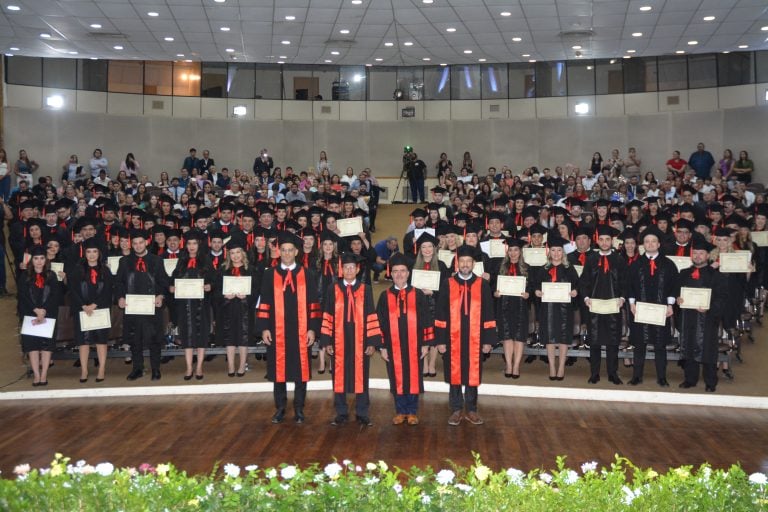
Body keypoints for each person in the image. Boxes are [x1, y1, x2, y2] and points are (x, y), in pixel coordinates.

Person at [257, 231, 321, 424]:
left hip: (301, 330)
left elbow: (313, 303)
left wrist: (312, 329)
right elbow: (264, 302)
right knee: (278, 370)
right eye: (283, 250)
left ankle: (299, 408)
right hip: (277, 331)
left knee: (301, 370)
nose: (286, 253)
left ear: (296, 252)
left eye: (289, 250)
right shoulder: (270, 275)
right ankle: (280, 408)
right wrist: (264, 328)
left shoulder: (307, 274)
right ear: (279, 252)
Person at [434, 245, 497, 426]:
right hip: (451, 337)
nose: (465, 264)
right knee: (454, 373)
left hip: (475, 338)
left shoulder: (482, 285)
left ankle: (471, 409)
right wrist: (440, 340)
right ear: (457, 263)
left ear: (474, 264)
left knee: (473, 372)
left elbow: (489, 313)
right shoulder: (448, 284)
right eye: (462, 261)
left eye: (469, 261)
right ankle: (455, 409)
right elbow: (440, 313)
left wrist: (488, 340)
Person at [320, 252, 382, 427]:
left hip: (360, 339)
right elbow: (327, 315)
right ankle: (341, 412)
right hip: (338, 339)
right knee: (338, 375)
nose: (348, 270)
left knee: (361, 374)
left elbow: (371, 315)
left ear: (357, 269)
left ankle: (362, 412)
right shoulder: (333, 288)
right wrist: (327, 340)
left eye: (352, 267)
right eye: (346, 267)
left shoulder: (365, 289)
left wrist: (371, 342)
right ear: (341, 269)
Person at [376, 253, 434, 426]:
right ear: (391, 274)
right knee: (397, 376)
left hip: (415, 344)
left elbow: (426, 319)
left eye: (402, 271)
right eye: (395, 271)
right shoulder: (384, 296)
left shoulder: (418, 295)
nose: (399, 274)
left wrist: (426, 343)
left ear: (408, 273)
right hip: (392, 345)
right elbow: (379, 322)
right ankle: (401, 411)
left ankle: (412, 411)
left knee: (414, 376)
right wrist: (382, 346)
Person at [115, 229, 169, 381]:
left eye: (141, 243)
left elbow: (163, 282)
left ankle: (156, 369)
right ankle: (137, 368)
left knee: (154, 339)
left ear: (146, 242)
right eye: (135, 243)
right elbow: (118, 283)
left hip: (151, 306)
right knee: (135, 339)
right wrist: (120, 297)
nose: (138, 246)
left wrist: (161, 295)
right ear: (131, 245)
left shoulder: (156, 260)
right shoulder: (124, 261)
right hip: (133, 307)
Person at [627, 226, 679, 387]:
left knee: (660, 345)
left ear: (658, 244)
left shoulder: (668, 264)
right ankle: (637, 376)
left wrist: (670, 305)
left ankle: (662, 377)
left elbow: (673, 286)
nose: (650, 244)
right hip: (640, 310)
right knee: (639, 345)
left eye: (653, 241)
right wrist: (631, 303)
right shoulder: (636, 264)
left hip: (660, 310)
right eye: (647, 242)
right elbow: (630, 286)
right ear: (643, 245)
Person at [580, 225, 627, 385]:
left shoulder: (619, 259)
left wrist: (622, 297)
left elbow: (623, 281)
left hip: (613, 306)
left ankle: (613, 373)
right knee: (595, 341)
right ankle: (594, 373)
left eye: (608, 239)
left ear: (612, 241)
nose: (605, 242)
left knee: (613, 341)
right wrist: (586, 298)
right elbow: (584, 281)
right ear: (597, 241)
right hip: (595, 306)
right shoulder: (591, 259)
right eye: (602, 239)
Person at [677, 237, 725, 392]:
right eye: (695, 253)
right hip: (688, 317)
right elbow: (677, 293)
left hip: (708, 319)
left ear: (707, 255)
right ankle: (690, 379)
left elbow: (722, 298)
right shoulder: (684, 273)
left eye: (701, 253)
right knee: (688, 347)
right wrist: (678, 299)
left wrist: (709, 307)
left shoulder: (716, 275)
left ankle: (711, 382)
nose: (697, 256)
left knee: (708, 351)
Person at [533, 236, 580, 381]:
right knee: (549, 339)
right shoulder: (543, 269)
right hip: (547, 310)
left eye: (559, 250)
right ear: (549, 252)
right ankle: (552, 367)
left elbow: (577, 286)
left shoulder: (569, 269)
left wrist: (575, 292)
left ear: (563, 252)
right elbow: (535, 287)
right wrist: (537, 292)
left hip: (564, 310)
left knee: (563, 339)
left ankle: (561, 368)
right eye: (553, 250)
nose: (556, 253)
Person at [170, 230, 213, 380]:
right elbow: (173, 279)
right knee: (187, 335)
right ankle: (189, 367)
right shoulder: (181, 260)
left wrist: (210, 286)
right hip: (185, 305)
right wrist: (172, 287)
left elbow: (214, 280)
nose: (192, 246)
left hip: (201, 305)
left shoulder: (206, 260)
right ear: (186, 245)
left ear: (199, 245)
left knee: (201, 335)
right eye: (189, 243)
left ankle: (199, 366)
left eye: (195, 243)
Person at [68, 238, 113, 383]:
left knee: (101, 340)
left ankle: (101, 369)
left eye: (94, 251)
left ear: (99, 253)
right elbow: (73, 290)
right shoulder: (77, 270)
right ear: (84, 253)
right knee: (83, 342)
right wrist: (83, 306)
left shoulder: (105, 270)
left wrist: (95, 305)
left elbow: (107, 291)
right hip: (82, 310)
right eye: (89, 252)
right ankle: (84, 370)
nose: (92, 255)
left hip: (99, 310)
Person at [215, 238, 261, 377]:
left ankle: (241, 366)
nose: (235, 255)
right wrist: (224, 296)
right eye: (232, 253)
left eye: (238, 252)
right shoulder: (223, 269)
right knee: (229, 338)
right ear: (229, 254)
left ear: (243, 254)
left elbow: (256, 290)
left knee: (243, 337)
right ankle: (230, 366)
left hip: (244, 308)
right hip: (228, 308)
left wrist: (246, 296)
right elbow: (216, 291)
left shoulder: (251, 270)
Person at [17, 245, 62, 386]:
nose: (39, 261)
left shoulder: (51, 275)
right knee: (33, 347)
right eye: (36, 258)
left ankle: (44, 375)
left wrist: (44, 311)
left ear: (45, 260)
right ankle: (36, 375)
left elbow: (56, 296)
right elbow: (23, 297)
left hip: (48, 316)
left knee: (46, 346)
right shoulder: (25, 276)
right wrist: (36, 310)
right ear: (31, 260)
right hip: (30, 316)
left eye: (42, 258)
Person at [493, 238, 531, 379]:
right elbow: (493, 286)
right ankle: (509, 365)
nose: (513, 253)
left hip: (521, 306)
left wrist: (529, 294)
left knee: (519, 337)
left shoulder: (527, 268)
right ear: (507, 251)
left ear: (520, 252)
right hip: (504, 306)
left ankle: (516, 367)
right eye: (511, 250)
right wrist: (495, 293)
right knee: (507, 337)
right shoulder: (501, 267)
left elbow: (532, 287)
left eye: (516, 250)